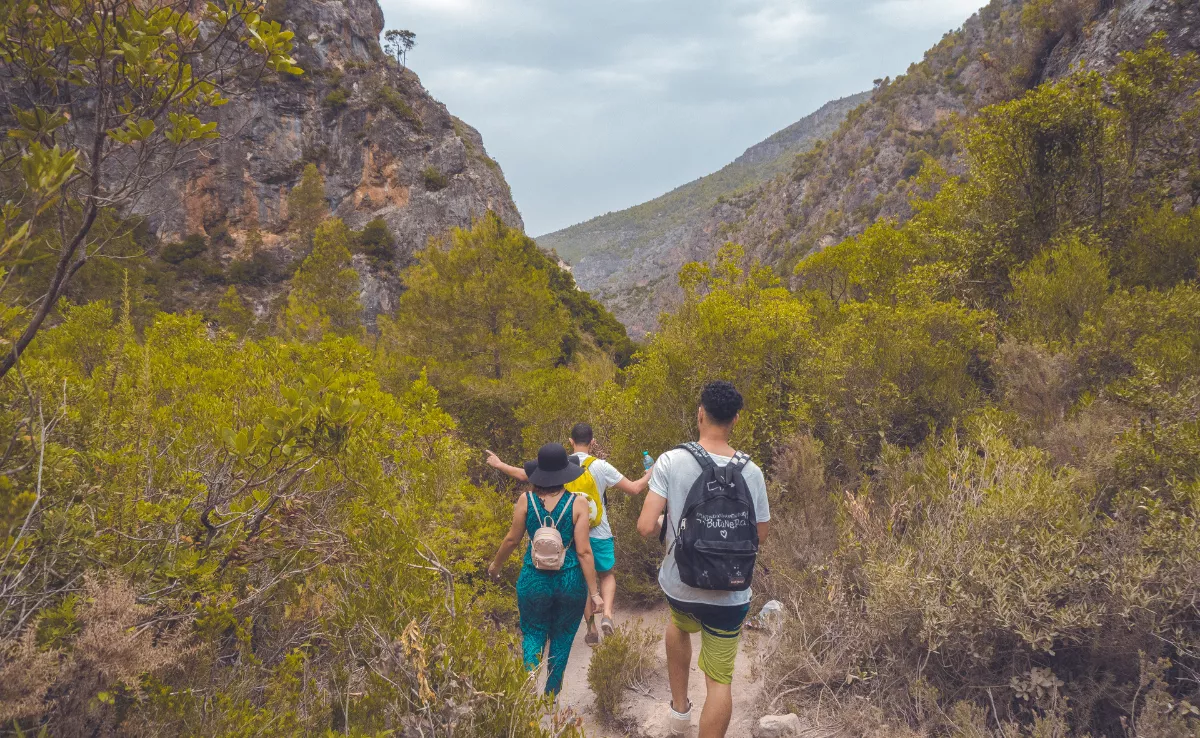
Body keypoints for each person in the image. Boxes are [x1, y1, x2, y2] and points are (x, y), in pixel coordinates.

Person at [636, 381, 770, 738]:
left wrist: (669, 523)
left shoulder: (670, 461)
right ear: (735, 420)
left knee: (678, 625)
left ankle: (680, 712)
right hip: (731, 592)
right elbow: (760, 535)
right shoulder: (752, 472)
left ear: (700, 414)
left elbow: (646, 526)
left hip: (683, 585)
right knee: (720, 681)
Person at [486, 422, 650, 645]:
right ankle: (608, 615)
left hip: (570, 535)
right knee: (607, 574)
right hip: (600, 532)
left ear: (570, 442)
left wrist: (499, 464)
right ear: (592, 442)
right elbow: (634, 488)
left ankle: (590, 627)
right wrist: (650, 473)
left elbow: (526, 475)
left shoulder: (561, 468)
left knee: (581, 578)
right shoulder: (601, 466)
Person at [487, 443, 604, 697]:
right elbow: (584, 552)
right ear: (565, 474)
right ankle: (551, 700)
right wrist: (595, 594)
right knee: (561, 640)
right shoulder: (578, 504)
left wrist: (496, 566)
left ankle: (528, 684)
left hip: (533, 580)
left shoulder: (525, 500)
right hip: (570, 581)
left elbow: (511, 540)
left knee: (533, 633)